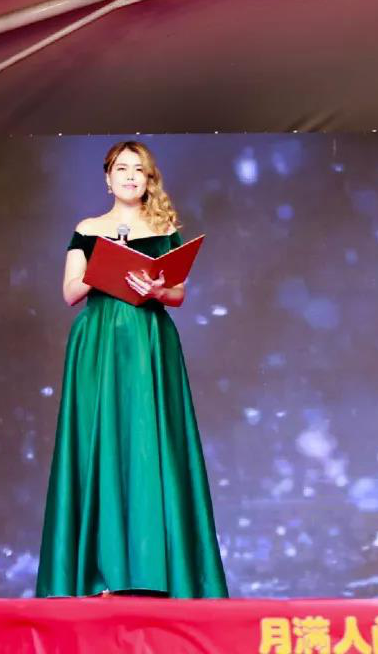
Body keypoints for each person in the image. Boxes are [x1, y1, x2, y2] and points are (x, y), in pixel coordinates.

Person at [36, 141, 227, 597]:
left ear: (148, 179)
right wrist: (107, 263)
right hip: (99, 342)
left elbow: (178, 295)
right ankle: (97, 574)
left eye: (138, 170)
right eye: (121, 169)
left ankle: (160, 574)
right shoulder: (87, 228)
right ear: (107, 178)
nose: (129, 176)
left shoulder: (164, 228)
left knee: (150, 443)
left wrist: (157, 289)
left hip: (148, 341)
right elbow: (69, 293)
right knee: (99, 442)